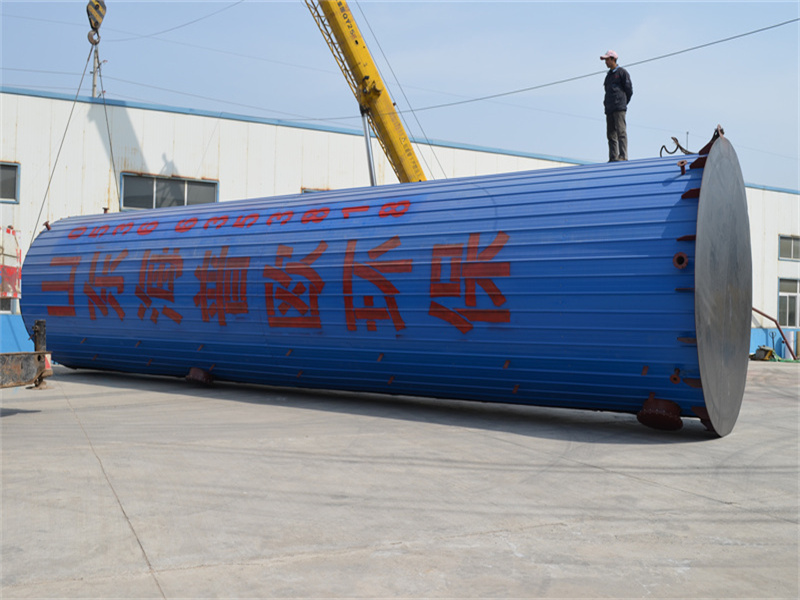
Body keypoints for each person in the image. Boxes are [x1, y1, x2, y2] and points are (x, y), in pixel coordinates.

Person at [600, 50, 633, 162]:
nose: (605, 62)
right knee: (611, 134)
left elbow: (629, 90)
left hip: (619, 108)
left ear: (613, 59)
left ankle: (623, 156)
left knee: (621, 132)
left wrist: (622, 102)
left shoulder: (622, 73)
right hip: (609, 108)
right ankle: (613, 157)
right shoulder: (608, 76)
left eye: (607, 59)